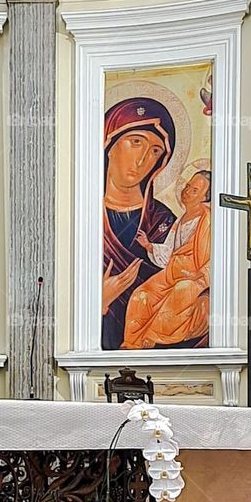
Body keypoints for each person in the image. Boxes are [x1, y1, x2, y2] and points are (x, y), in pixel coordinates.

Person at [101, 97, 176, 350]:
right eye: (136, 142)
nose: (144, 158)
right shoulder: (82, 217)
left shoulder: (163, 221)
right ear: (110, 144)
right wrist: (98, 301)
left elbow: (179, 286)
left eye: (155, 151)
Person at [123, 169, 211, 349]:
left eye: (194, 190)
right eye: (187, 186)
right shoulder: (180, 220)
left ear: (204, 197)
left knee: (181, 291)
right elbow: (170, 251)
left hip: (195, 277)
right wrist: (149, 246)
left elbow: (215, 257)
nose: (187, 191)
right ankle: (131, 343)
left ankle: (153, 337)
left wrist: (199, 274)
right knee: (141, 294)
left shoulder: (209, 220)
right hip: (172, 272)